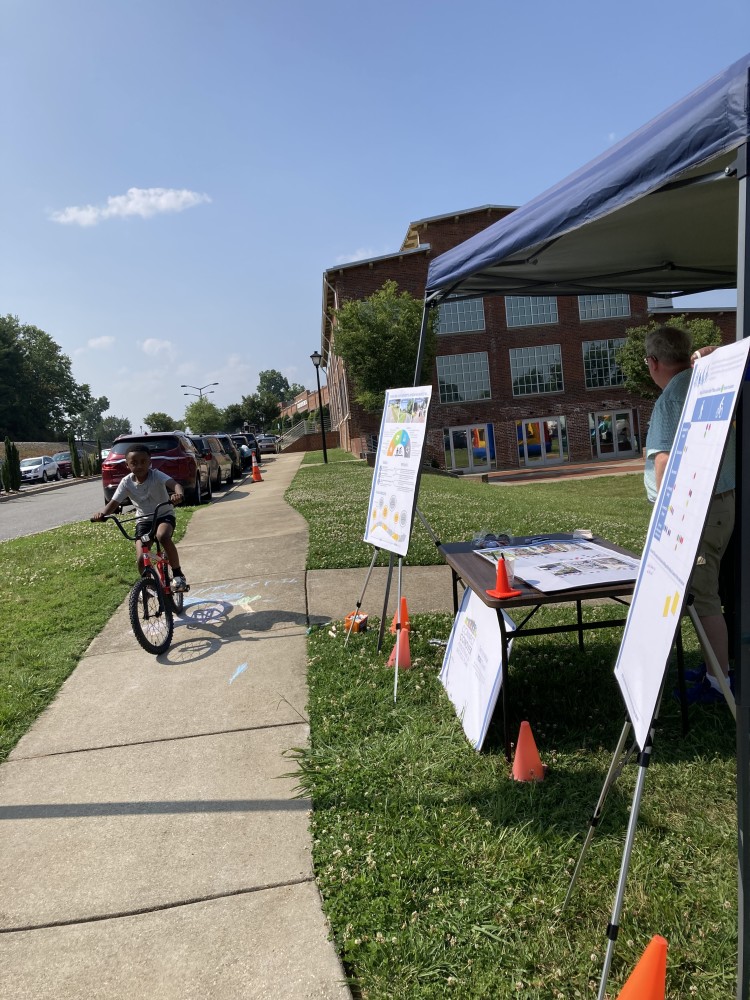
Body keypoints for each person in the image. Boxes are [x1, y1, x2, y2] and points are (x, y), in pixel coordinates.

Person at [643, 326, 735, 704]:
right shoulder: (703, 378)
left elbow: (664, 462)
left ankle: (718, 682)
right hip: (720, 500)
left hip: (695, 510)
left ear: (653, 363)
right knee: (708, 591)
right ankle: (718, 667)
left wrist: (668, 520)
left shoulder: (671, 397)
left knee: (704, 596)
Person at [92, 444, 188, 591]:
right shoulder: (126, 482)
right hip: (143, 520)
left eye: (143, 461)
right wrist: (102, 514)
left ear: (150, 462)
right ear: (127, 465)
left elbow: (175, 485)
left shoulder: (156, 475)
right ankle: (148, 585)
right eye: (134, 463)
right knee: (141, 557)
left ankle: (177, 574)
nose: (139, 466)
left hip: (164, 515)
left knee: (162, 536)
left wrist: (178, 495)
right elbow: (113, 503)